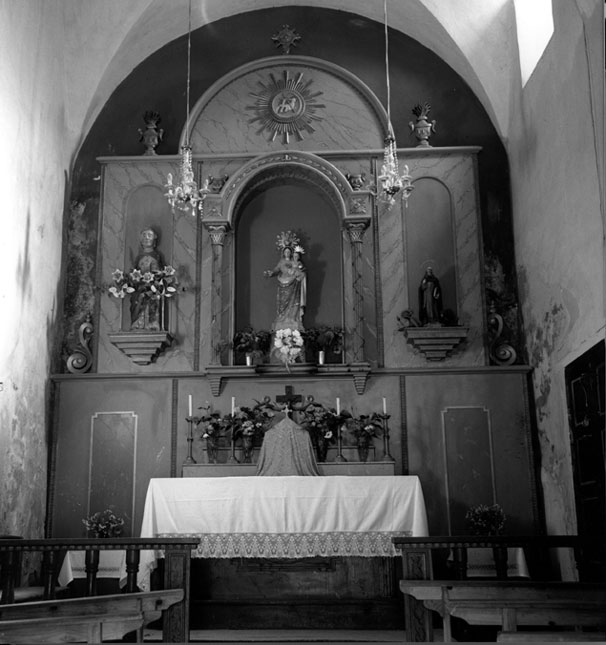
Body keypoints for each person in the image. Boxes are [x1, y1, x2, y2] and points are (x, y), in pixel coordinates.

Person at [264, 245, 306, 331]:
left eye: (289, 252)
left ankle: (292, 318)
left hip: (293, 283)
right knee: (282, 303)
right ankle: (282, 318)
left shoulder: (294, 261)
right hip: (282, 283)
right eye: (285, 252)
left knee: (294, 301)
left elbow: (300, 270)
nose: (287, 253)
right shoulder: (281, 262)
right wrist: (271, 273)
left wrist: (298, 272)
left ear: (291, 253)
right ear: (283, 253)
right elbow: (276, 270)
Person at [130, 228, 164, 330]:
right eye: (144, 236)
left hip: (152, 286)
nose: (146, 238)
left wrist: (155, 278)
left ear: (154, 240)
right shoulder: (138, 257)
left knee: (153, 298)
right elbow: (134, 272)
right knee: (137, 298)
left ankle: (152, 322)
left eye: (149, 235)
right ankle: (138, 321)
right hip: (140, 286)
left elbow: (160, 271)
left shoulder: (157, 256)